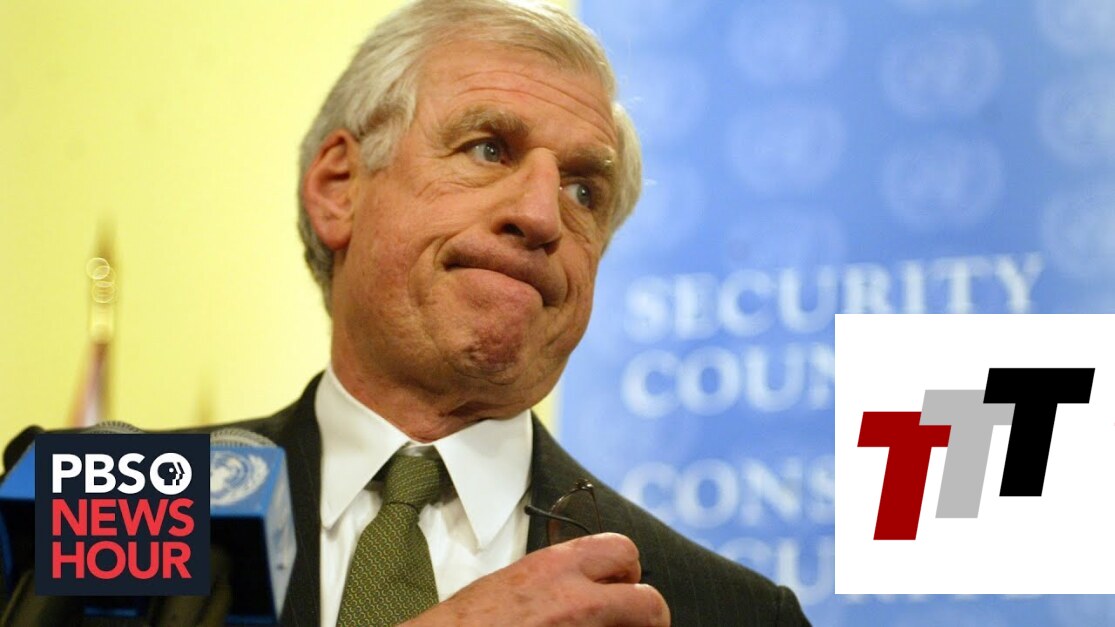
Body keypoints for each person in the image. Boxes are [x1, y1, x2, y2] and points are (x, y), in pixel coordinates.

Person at [7, 0, 811, 624]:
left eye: (582, 190)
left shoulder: (717, 611)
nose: (541, 214)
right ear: (340, 188)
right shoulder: (134, 504)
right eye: (488, 148)